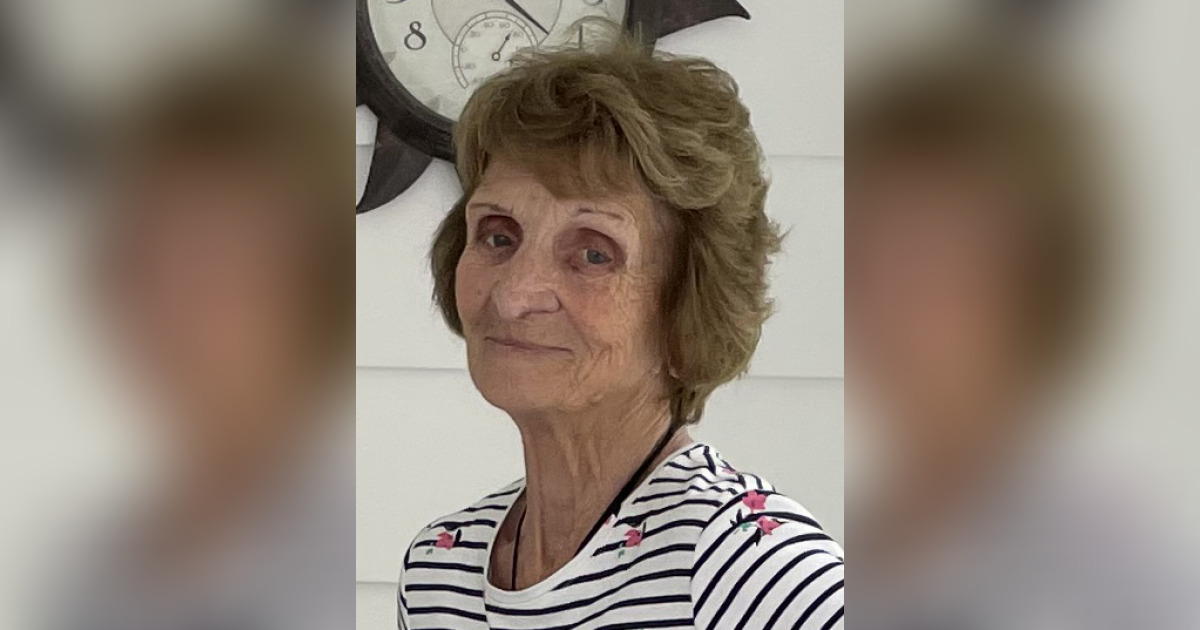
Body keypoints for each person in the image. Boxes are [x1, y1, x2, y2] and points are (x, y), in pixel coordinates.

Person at [397, 34, 845, 630]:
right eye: (499, 236)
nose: (514, 294)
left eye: (593, 254)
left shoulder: (754, 570)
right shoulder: (438, 573)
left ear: (689, 304)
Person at [52, 38, 353, 630]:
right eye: (146, 255)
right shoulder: (94, 560)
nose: (167, 307)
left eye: (216, 263)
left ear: (316, 285)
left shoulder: (355, 564)